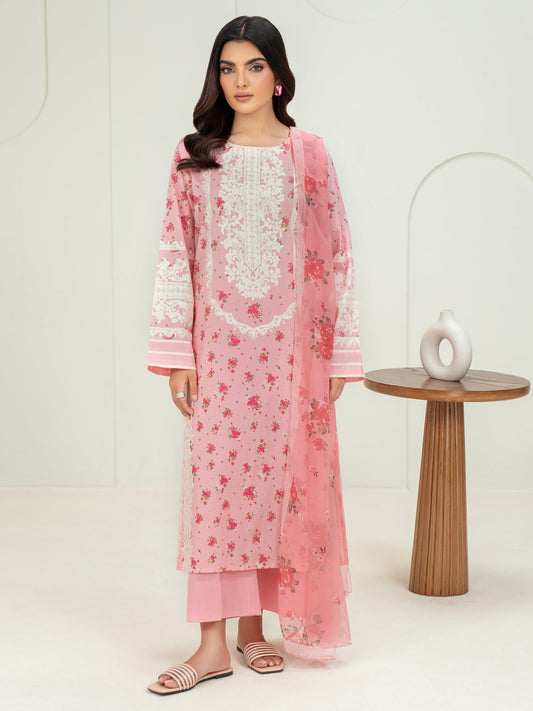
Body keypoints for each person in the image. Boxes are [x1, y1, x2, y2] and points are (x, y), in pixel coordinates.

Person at [146, 15, 363, 695]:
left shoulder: (311, 155)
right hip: (218, 354)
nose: (239, 81)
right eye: (227, 68)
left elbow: (337, 254)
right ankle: (211, 644)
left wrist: (338, 357)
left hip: (291, 357)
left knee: (277, 491)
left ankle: (253, 630)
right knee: (218, 490)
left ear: (278, 77)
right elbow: (175, 252)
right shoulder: (195, 155)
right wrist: (178, 354)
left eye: (254, 66)